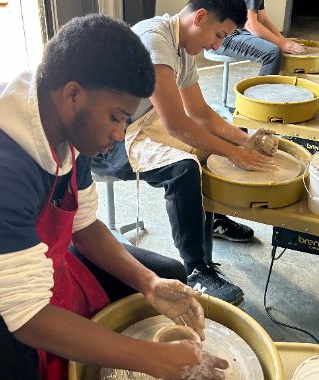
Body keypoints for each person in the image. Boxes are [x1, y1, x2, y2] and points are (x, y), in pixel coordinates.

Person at [0, 14, 231, 380]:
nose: (119, 134)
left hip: (40, 257)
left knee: (167, 276)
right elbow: (28, 318)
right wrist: (156, 359)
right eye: (116, 117)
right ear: (73, 93)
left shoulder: (67, 126)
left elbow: (85, 224)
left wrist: (149, 283)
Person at [92, 0, 275, 306]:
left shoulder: (181, 45)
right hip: (104, 139)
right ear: (199, 17)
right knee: (184, 167)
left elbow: (201, 113)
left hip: (139, 120)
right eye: (218, 35)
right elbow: (177, 124)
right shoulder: (155, 40)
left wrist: (244, 141)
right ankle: (197, 270)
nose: (216, 47)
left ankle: (212, 220)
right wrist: (234, 153)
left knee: (209, 146)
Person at [215, 0, 305, 75]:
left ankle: (272, 87)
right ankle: (262, 94)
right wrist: (281, 44)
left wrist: (282, 40)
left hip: (238, 31)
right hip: (221, 37)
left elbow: (263, 19)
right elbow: (250, 24)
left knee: (276, 44)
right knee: (273, 53)